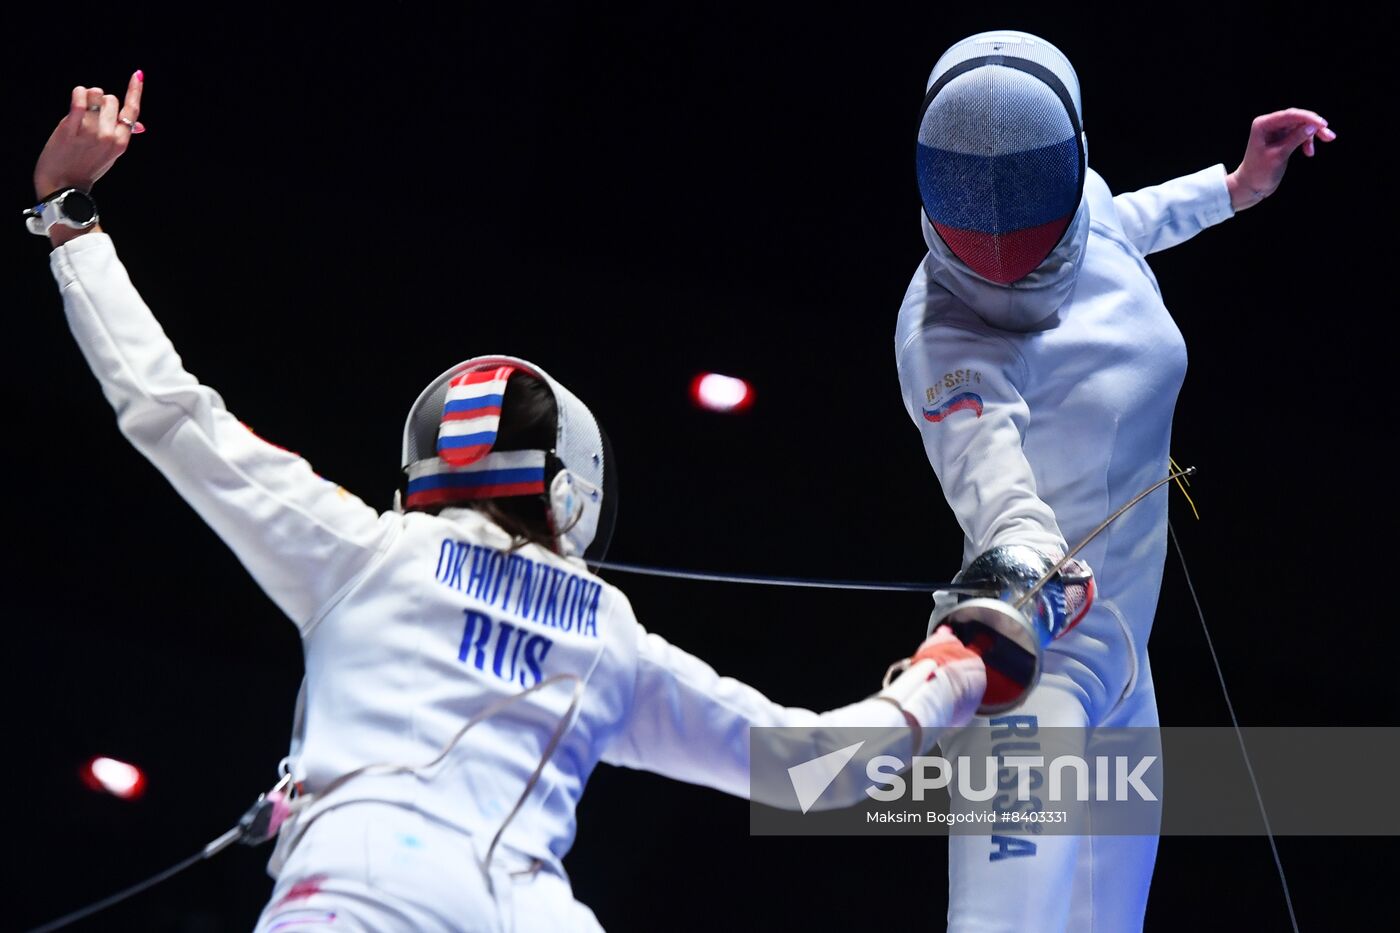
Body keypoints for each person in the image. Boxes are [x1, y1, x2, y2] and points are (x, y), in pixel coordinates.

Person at [31, 72, 987, 932]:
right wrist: (957, 667)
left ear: (422, 471)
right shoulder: (607, 629)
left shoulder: (363, 552)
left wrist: (70, 217)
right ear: (572, 495)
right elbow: (810, 769)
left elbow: (168, 409)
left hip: (356, 892)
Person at [895, 29, 1333, 933]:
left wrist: (1234, 188)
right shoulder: (943, 337)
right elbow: (997, 491)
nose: (1011, 268)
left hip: (1124, 672)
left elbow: (1121, 226)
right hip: (1030, 670)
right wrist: (1023, 568)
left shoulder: (1080, 204)